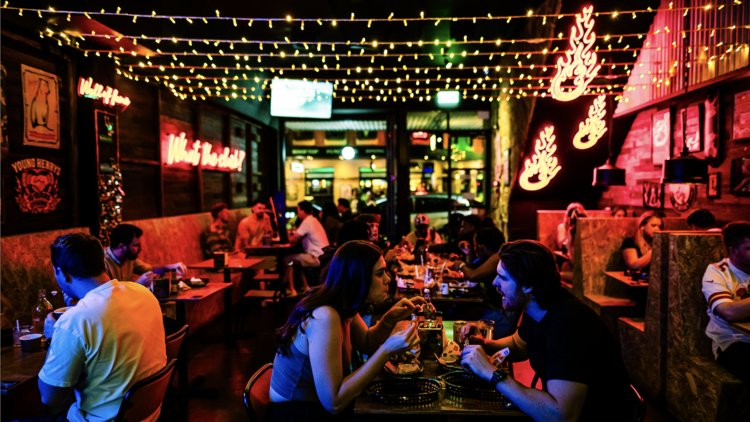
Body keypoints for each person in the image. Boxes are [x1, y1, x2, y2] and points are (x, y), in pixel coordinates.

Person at [459, 240, 632, 422]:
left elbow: (561, 416)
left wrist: (492, 372)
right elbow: (518, 344)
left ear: (528, 285)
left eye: (503, 277)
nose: (494, 282)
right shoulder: (538, 305)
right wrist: (485, 345)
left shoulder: (568, 327)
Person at [268, 241, 426, 419]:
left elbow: (366, 342)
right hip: (297, 413)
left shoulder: (344, 304)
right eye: (380, 273)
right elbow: (334, 403)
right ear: (358, 277)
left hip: (315, 405)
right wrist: (386, 350)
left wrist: (389, 318)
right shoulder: (324, 316)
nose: (388, 279)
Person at [34, 233, 166, 422]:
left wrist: (53, 339)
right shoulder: (143, 293)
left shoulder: (75, 320)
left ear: (62, 273)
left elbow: (50, 398)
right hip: (148, 414)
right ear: (103, 263)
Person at [702, 221, 750, 383]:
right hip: (732, 342)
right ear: (734, 251)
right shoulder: (717, 272)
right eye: (749, 249)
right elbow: (727, 311)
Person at [104, 224, 187, 287]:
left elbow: (149, 269)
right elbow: (109, 297)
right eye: (136, 245)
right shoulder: (103, 262)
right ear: (121, 247)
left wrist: (171, 267)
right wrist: (138, 284)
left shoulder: (128, 257)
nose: (141, 249)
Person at [288, 201, 329, 268]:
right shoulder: (313, 220)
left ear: (302, 211)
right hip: (324, 256)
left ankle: (286, 278)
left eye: (298, 210)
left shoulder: (307, 221)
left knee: (287, 258)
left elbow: (294, 239)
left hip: (316, 258)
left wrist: (288, 237)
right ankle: (302, 279)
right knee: (297, 262)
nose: (297, 213)